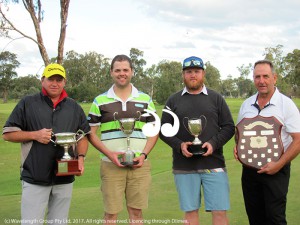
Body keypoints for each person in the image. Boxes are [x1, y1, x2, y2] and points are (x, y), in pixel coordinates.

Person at [2, 63, 90, 225]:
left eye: (59, 79)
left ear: (64, 82)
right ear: (42, 80)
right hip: (35, 176)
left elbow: (83, 136)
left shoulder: (74, 107)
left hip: (64, 177)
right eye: (50, 79)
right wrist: (35, 135)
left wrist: (81, 157)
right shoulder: (28, 103)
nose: (54, 83)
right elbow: (8, 134)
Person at [159, 56, 235, 225]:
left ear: (203, 73)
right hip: (184, 166)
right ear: (183, 75)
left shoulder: (216, 98)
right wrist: (179, 145)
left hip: (214, 164)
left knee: (219, 212)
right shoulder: (174, 100)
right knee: (190, 213)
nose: (193, 75)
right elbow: (163, 130)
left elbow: (229, 126)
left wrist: (213, 143)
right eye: (189, 72)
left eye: (196, 71)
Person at [87, 54, 158, 225]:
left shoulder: (145, 100)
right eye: (117, 70)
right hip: (110, 164)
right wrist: (109, 154)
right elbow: (90, 133)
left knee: (136, 212)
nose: (122, 73)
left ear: (132, 72)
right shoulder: (100, 101)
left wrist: (144, 155)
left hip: (139, 164)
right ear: (111, 72)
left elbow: (154, 131)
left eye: (125, 70)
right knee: (111, 214)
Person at [234, 59, 300, 225]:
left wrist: (279, 164)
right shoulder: (246, 104)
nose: (261, 81)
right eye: (257, 77)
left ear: (274, 78)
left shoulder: (286, 104)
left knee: (275, 218)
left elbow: (298, 140)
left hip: (276, 170)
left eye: (265, 76)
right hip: (249, 171)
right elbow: (240, 133)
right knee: (254, 217)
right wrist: (238, 147)